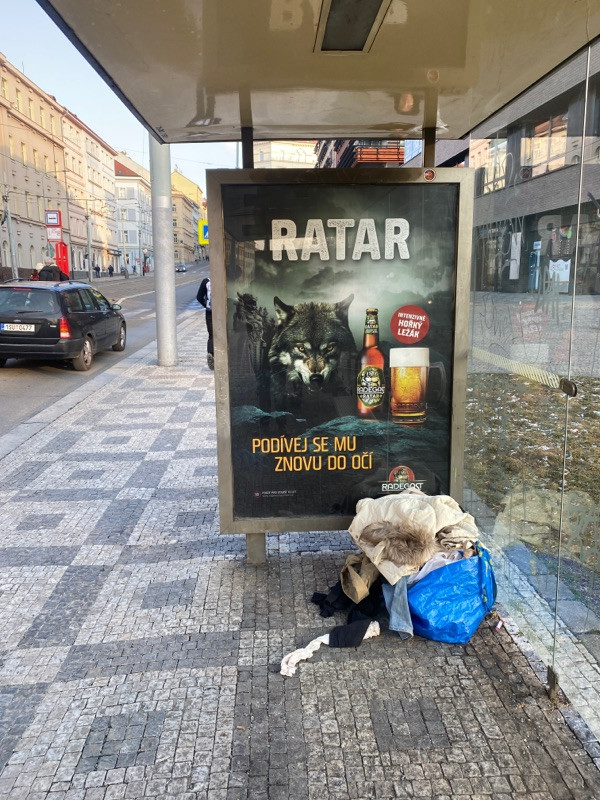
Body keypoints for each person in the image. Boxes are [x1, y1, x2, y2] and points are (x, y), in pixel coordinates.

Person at [197, 276, 213, 369]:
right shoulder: (225, 279)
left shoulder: (206, 281)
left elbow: (199, 297)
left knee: (211, 335)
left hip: (210, 312)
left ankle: (211, 354)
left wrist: (206, 305)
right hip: (223, 312)